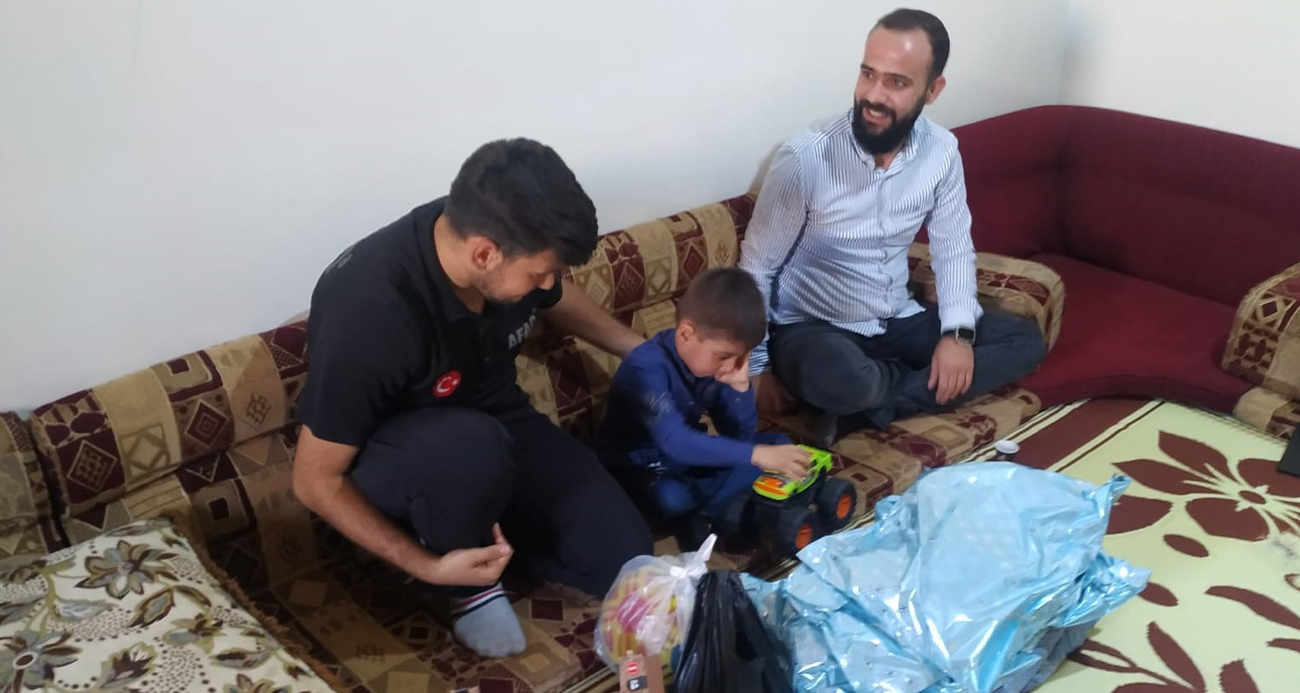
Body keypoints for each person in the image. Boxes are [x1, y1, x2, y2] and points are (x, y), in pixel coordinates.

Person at [291, 138, 653, 659]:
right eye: (539, 274)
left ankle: (495, 542)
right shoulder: (370, 312)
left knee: (625, 558)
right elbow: (314, 480)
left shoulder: (499, 235)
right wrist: (426, 566)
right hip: (404, 454)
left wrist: (637, 350)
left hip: (497, 417)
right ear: (484, 253)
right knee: (469, 447)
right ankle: (467, 586)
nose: (547, 285)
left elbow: (554, 295)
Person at [739, 8, 1047, 446]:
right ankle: (879, 393)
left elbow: (953, 249)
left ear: (933, 89)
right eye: (868, 74)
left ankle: (869, 405)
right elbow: (757, 267)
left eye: (897, 82)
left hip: (898, 319)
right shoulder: (806, 157)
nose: (873, 95)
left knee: (1023, 341)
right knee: (843, 379)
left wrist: (957, 336)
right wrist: (758, 367)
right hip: (813, 328)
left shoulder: (942, 153)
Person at [597, 268, 812, 550]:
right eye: (724, 356)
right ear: (686, 334)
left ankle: (709, 512)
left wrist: (740, 389)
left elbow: (739, 436)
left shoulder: (715, 367)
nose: (731, 365)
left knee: (780, 445)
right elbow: (676, 442)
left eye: (740, 357)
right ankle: (716, 508)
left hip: (688, 459)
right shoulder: (645, 368)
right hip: (641, 465)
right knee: (672, 498)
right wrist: (757, 456)